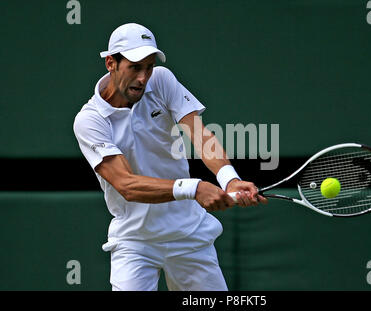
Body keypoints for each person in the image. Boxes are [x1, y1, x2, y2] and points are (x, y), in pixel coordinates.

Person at [73, 23, 267, 291]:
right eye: (135, 67)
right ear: (111, 63)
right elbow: (127, 185)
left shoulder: (161, 80)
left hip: (189, 234)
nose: (143, 77)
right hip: (135, 241)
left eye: (149, 67)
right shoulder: (89, 121)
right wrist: (194, 188)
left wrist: (229, 179)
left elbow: (199, 135)